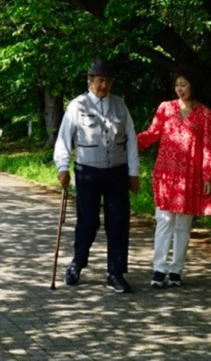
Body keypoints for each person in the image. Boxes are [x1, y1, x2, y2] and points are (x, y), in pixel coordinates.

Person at [53, 58, 139, 293]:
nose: (104, 85)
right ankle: (77, 264)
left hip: (117, 172)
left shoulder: (120, 105)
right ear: (91, 80)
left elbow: (131, 139)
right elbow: (63, 138)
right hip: (87, 173)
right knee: (88, 222)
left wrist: (134, 172)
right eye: (100, 80)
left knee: (119, 223)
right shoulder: (77, 105)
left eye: (108, 81)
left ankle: (115, 273)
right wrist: (62, 167)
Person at [137, 67, 211, 288]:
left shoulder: (205, 114)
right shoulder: (166, 108)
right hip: (166, 174)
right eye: (177, 85)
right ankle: (158, 270)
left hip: (191, 177)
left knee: (183, 225)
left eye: (184, 84)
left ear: (193, 86)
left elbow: (209, 147)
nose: (179, 89)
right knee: (163, 222)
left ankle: (176, 270)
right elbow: (152, 133)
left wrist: (208, 175)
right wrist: (129, 142)